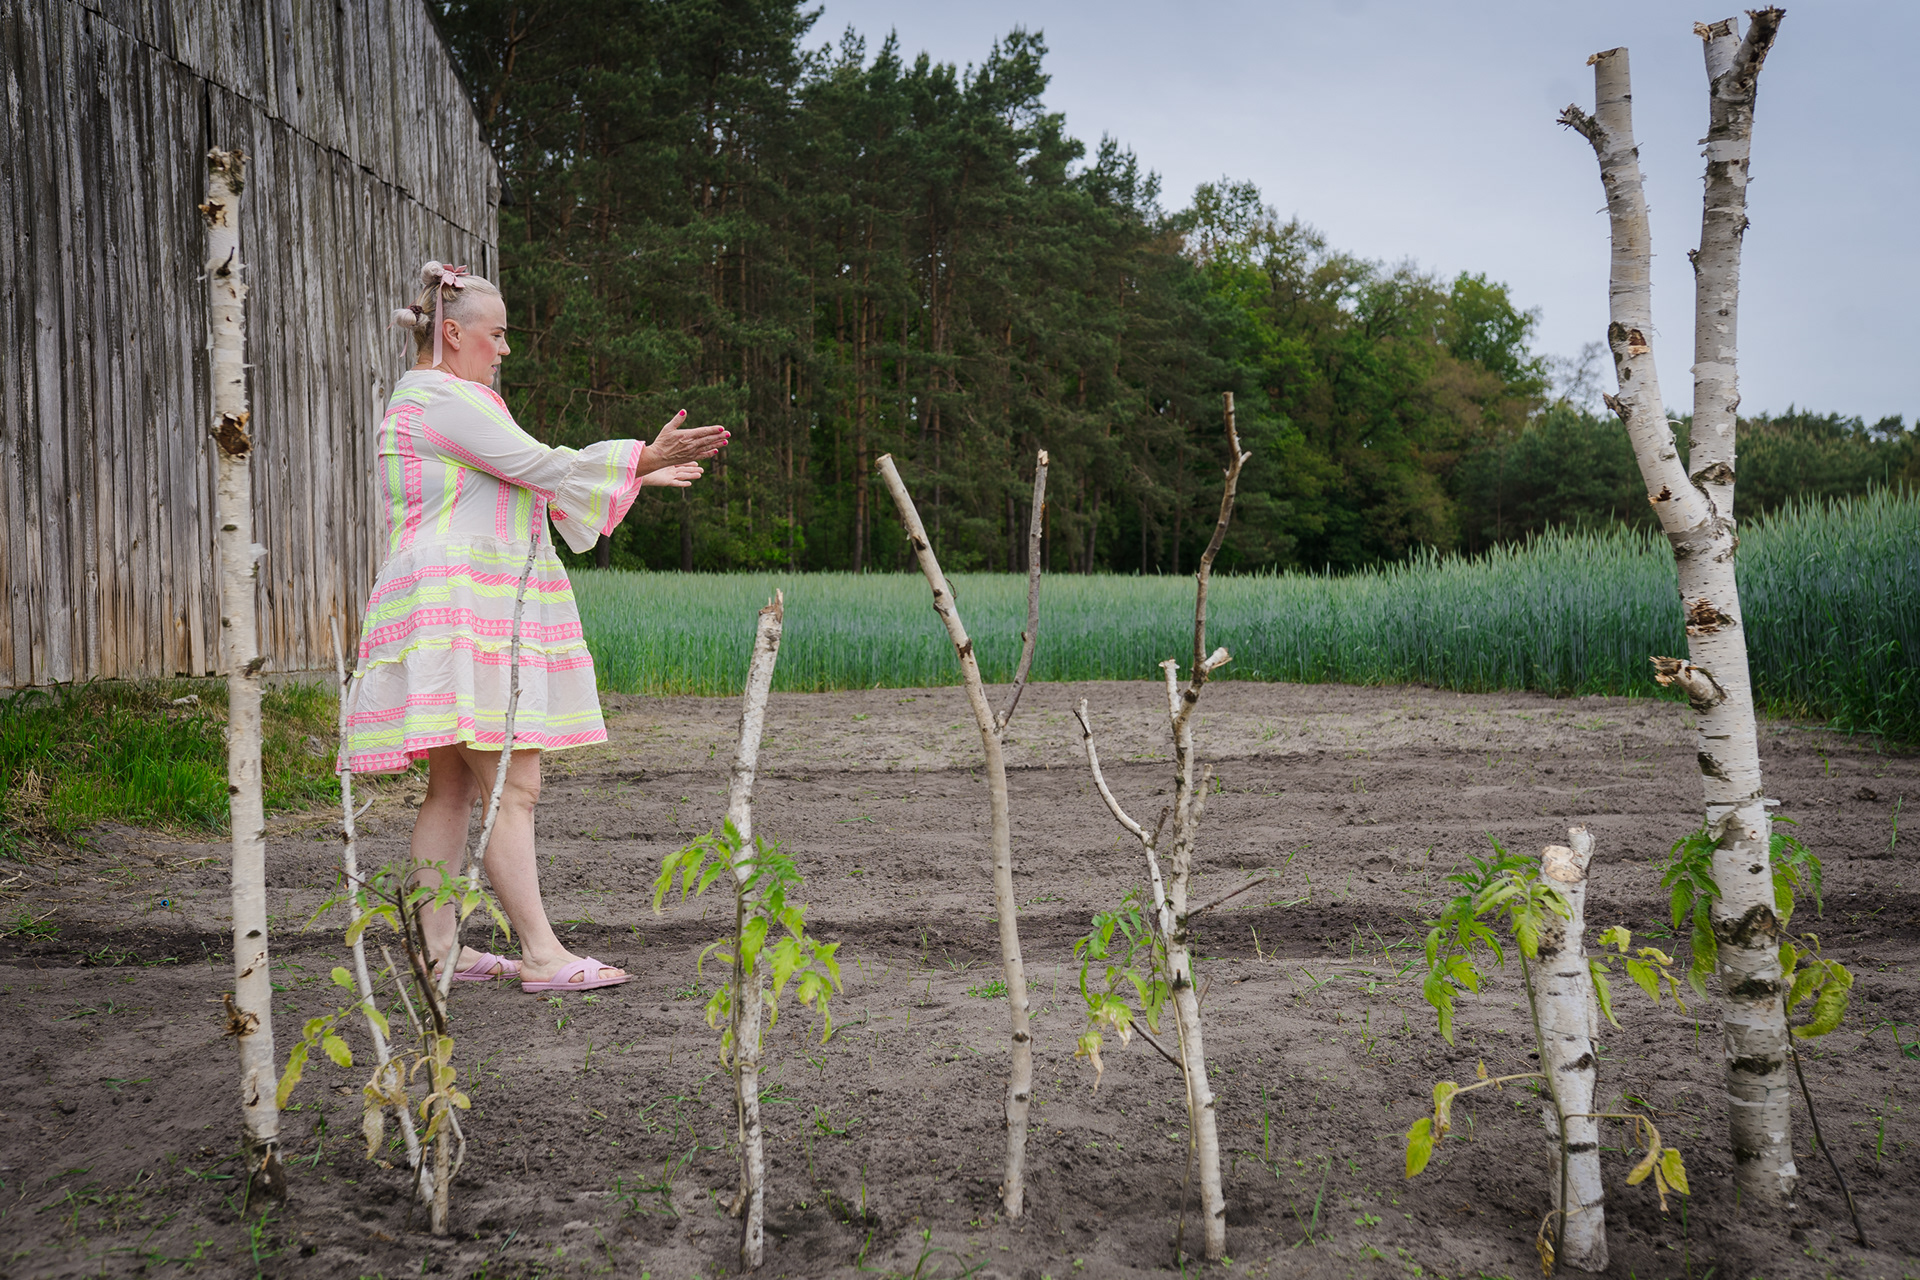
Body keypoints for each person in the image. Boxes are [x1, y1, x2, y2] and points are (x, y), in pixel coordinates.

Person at [344, 261, 727, 993]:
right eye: (497, 335)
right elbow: (536, 464)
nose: (506, 348)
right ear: (452, 333)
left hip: (451, 602)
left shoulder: (435, 399)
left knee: (453, 787)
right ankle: (543, 955)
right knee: (512, 786)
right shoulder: (445, 400)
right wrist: (640, 456)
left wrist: (637, 473)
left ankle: (439, 952)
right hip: (466, 604)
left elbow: (521, 478)